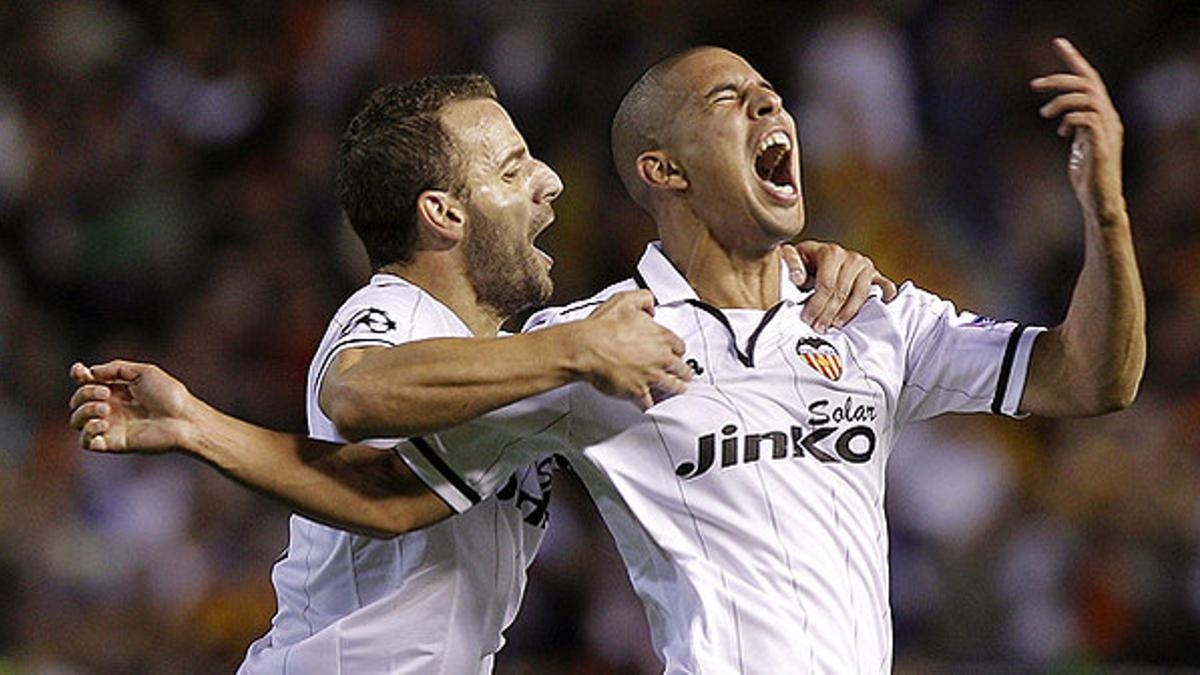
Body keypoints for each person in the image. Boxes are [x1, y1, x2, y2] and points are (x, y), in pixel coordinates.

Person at [74, 38, 1143, 672]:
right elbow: (378, 457)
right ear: (664, 170)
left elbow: (1090, 379)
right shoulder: (568, 344)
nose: (773, 106)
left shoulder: (864, 314)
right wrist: (197, 424)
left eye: (773, 93)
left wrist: (1107, 215)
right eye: (733, 101)